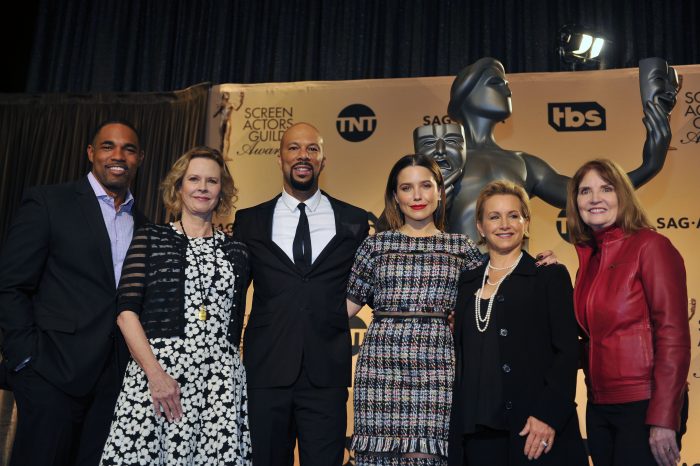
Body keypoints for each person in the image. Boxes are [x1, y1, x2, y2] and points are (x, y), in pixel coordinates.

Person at [0, 120, 147, 466]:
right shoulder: (50, 202)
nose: (118, 155)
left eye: (128, 149)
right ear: (91, 153)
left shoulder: (145, 224)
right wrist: (25, 360)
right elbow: (10, 285)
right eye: (108, 146)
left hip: (113, 384)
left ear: (140, 157)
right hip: (51, 374)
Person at [100, 146, 251, 464]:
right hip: (159, 379)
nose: (202, 187)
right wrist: (156, 376)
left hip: (218, 389)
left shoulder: (238, 250)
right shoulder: (151, 238)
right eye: (193, 179)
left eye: (212, 181)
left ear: (221, 189)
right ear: (178, 186)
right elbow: (126, 314)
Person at [232, 122, 369, 466]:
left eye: (312, 149)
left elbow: (375, 280)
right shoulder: (248, 221)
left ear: (323, 160)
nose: (302, 156)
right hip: (265, 371)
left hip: (326, 374)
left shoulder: (354, 221)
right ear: (280, 158)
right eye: (294, 148)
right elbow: (232, 294)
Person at [431, 56, 676, 237]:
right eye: (496, 82)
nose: (507, 88)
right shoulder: (438, 160)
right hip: (455, 292)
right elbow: (399, 222)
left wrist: (649, 166)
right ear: (466, 95)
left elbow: (584, 197)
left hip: (510, 293)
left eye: (506, 83)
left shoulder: (524, 164)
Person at [346, 154, 483, 466]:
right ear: (395, 196)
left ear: (439, 192)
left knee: (428, 454)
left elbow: (493, 300)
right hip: (380, 368)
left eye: (426, 186)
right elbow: (344, 307)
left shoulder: (461, 248)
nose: (417, 196)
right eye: (407, 188)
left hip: (438, 369)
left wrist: (538, 268)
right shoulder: (375, 247)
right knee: (377, 456)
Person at [449, 180, 587, 466]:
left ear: (526, 222)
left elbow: (567, 353)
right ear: (480, 227)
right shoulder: (465, 283)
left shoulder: (549, 276)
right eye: (494, 216)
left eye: (514, 215)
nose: (504, 224)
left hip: (531, 431)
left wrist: (548, 415)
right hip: (475, 435)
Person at [566, 159, 690, 466]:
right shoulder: (589, 258)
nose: (595, 198)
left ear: (622, 194)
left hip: (645, 404)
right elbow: (596, 338)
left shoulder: (651, 246)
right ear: (576, 202)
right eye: (585, 191)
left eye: (606, 188)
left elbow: (673, 335)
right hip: (599, 406)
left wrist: (663, 417)